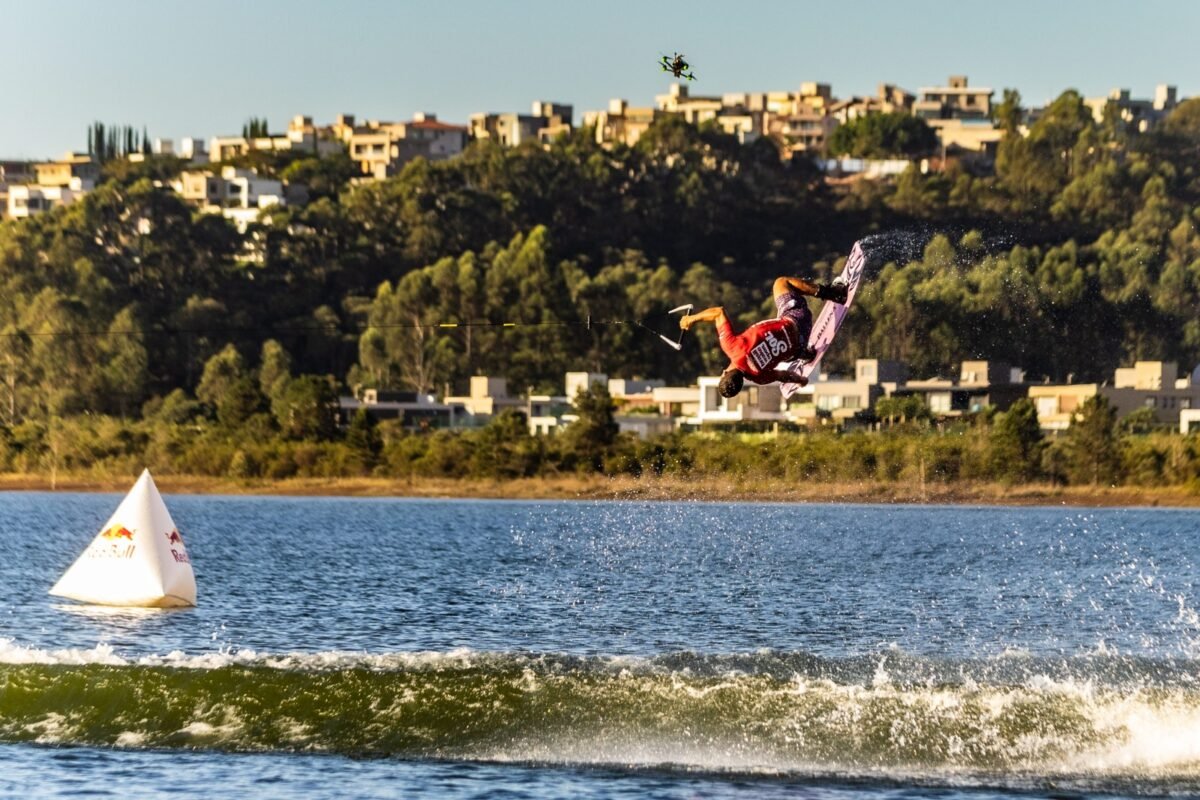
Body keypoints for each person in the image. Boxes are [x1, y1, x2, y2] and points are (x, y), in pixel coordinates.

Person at [679, 275, 847, 397]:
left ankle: (806, 354)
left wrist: (801, 380)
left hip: (799, 345)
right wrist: (692, 319)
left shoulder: (758, 377)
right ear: (724, 373)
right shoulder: (731, 346)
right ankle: (834, 293)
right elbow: (718, 312)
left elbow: (784, 375)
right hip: (797, 317)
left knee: (785, 356)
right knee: (781, 283)